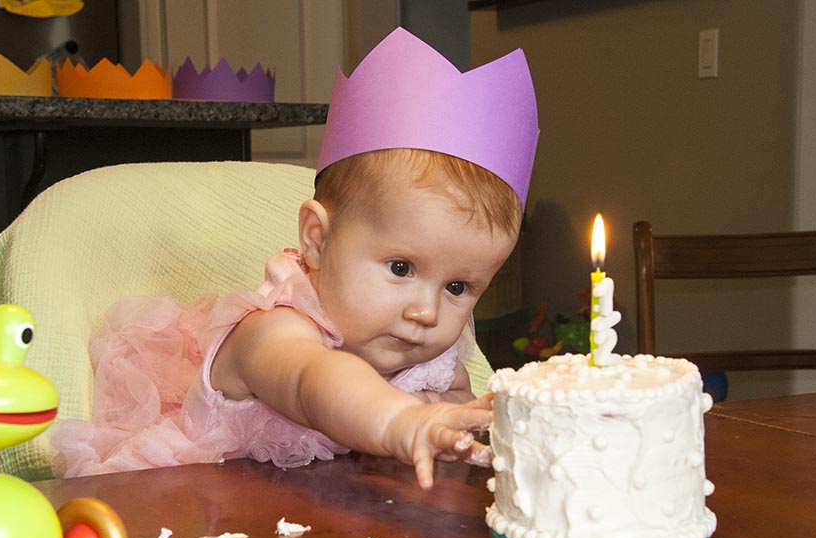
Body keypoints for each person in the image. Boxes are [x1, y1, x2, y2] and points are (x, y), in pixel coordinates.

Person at [52, 28, 539, 489]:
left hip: (339, 518)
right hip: (213, 512)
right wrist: (402, 419)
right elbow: (314, 380)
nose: (426, 313)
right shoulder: (273, 330)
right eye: (400, 268)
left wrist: (444, 415)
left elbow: (454, 402)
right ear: (317, 240)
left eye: (457, 287)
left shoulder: (430, 352)